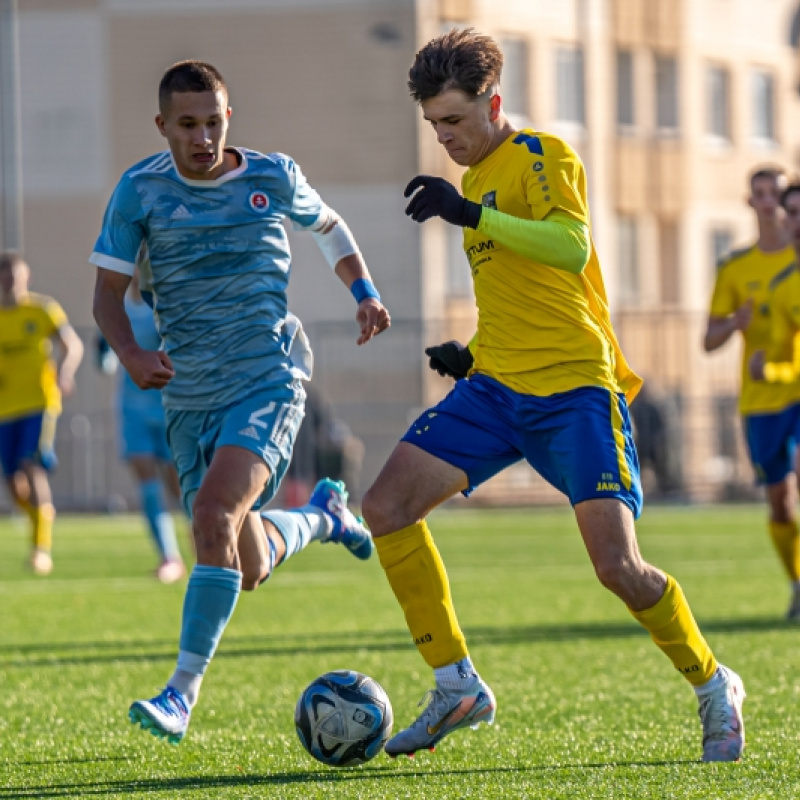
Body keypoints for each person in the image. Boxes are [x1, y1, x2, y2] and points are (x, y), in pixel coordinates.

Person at [360, 28, 745, 763]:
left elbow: (570, 247)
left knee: (618, 569)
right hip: (497, 387)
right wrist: (470, 354)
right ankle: (456, 684)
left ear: (493, 103)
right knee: (384, 508)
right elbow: (523, 290)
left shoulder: (544, 157)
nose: (445, 138)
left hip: (576, 391)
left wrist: (469, 216)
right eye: (434, 125)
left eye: (455, 121)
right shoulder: (471, 181)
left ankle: (711, 682)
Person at [90, 60, 390, 744]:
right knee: (244, 564)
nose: (202, 137)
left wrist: (364, 291)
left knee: (212, 510)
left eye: (214, 121)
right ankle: (322, 518)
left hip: (268, 373)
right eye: (187, 125)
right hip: (190, 392)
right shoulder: (139, 191)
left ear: (230, 118)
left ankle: (180, 695)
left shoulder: (270, 176)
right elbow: (107, 297)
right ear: (162, 125)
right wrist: (133, 355)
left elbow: (330, 226)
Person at [704, 167, 800, 619]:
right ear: (751, 202)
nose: (770, 204)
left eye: (776, 195)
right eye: (760, 194)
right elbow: (708, 340)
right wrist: (733, 324)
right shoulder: (737, 268)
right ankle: (796, 581)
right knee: (781, 501)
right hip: (762, 399)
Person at [96, 265, 187, 584]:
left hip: (166, 406)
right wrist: (105, 357)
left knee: (177, 483)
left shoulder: (163, 306)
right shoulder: (118, 307)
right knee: (146, 479)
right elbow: (104, 343)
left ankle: (204, 541)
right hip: (132, 409)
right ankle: (169, 557)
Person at [0, 251, 84, 575]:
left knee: (31, 466)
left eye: (15, 276)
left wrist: (64, 373)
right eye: (5, 277)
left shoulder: (42, 309)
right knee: (12, 481)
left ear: (26, 277)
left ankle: (41, 549)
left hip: (39, 403)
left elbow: (72, 344)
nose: (11, 282)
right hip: (5, 408)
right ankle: (41, 517)